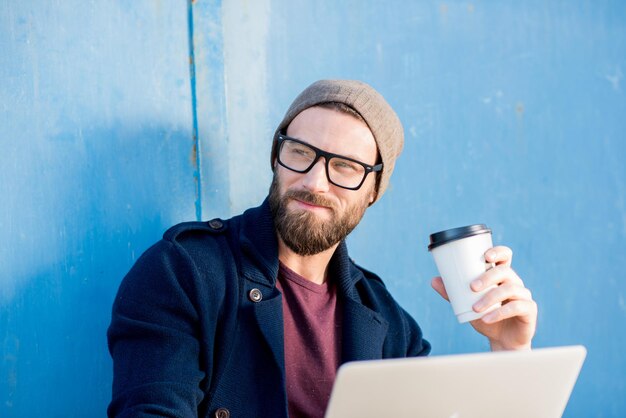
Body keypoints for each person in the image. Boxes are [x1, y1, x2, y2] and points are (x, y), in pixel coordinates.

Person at [107, 79, 538, 418]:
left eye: (345, 167)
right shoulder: (184, 273)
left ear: (373, 190)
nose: (314, 182)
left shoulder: (387, 320)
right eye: (301, 152)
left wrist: (509, 352)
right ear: (277, 157)